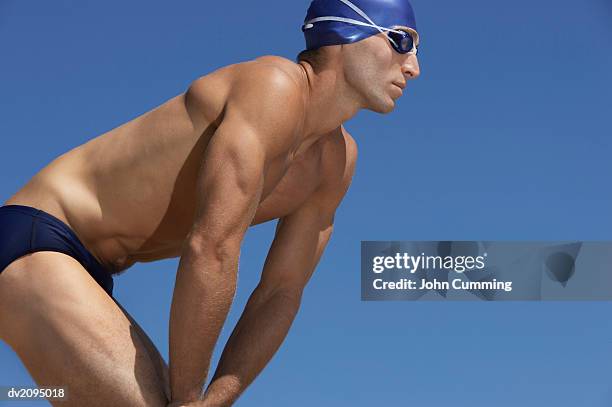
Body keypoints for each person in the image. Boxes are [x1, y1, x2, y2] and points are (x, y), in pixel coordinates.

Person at [0, 0, 420, 405]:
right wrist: (186, 400)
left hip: (91, 271)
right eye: (401, 41)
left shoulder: (335, 164)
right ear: (346, 32)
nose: (414, 67)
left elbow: (280, 292)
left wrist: (214, 399)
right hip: (37, 232)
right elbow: (212, 246)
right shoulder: (274, 89)